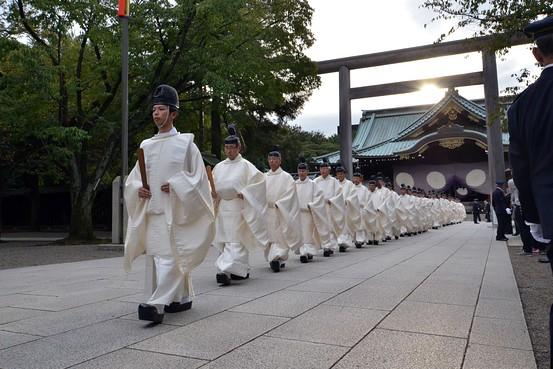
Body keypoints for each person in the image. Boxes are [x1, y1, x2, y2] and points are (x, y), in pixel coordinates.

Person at [124, 84, 215, 323]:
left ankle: (156, 304)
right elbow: (134, 179)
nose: (156, 114)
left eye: (161, 109)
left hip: (176, 212)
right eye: (154, 109)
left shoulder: (186, 144)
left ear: (173, 113)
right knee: (158, 258)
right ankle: (180, 298)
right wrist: (138, 189)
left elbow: (198, 179)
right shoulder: (146, 145)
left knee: (170, 257)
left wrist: (177, 186)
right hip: (154, 212)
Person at [508, 16, 553, 368]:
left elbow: (521, 170)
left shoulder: (522, 105)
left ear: (536, 53)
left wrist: (534, 217)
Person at [212, 125, 269, 286]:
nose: (229, 151)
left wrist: (246, 192)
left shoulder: (245, 165)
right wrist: (212, 192)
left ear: (238, 148)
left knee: (237, 240)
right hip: (223, 206)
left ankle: (226, 269)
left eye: (232, 147)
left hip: (238, 207)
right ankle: (238, 270)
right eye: (227, 148)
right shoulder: (219, 167)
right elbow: (213, 184)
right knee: (225, 240)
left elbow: (259, 182)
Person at [264, 147, 302, 272]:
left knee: (280, 235)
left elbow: (290, 194)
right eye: (270, 159)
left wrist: (280, 204)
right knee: (270, 236)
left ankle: (278, 258)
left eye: (274, 159)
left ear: (280, 161)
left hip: (280, 211)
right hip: (268, 211)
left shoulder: (286, 177)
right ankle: (273, 257)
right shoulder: (264, 177)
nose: (272, 161)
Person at [295, 159, 332, 262]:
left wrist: (312, 205)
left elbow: (319, 197)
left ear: (307, 171)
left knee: (308, 234)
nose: (301, 173)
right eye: (300, 171)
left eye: (303, 171)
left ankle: (307, 252)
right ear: (298, 172)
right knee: (301, 233)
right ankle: (304, 252)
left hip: (309, 212)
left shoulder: (313, 184)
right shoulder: (294, 184)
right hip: (298, 213)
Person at [314, 159, 344, 255]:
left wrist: (332, 201)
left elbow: (339, 194)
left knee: (330, 226)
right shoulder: (315, 181)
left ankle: (329, 246)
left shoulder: (334, 181)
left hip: (330, 206)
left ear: (329, 170)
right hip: (319, 207)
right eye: (321, 168)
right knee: (321, 226)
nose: (323, 170)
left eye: (325, 168)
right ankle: (324, 246)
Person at [335, 166, 360, 252]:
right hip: (337, 208)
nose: (340, 175)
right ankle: (339, 241)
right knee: (337, 225)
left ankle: (344, 243)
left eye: (341, 173)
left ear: (344, 174)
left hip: (346, 208)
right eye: (338, 174)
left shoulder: (349, 184)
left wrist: (348, 200)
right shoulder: (335, 183)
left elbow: (353, 195)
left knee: (345, 226)